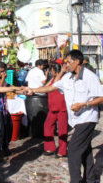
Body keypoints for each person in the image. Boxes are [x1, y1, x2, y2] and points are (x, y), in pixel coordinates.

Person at [27, 50, 103, 183]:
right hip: (75, 119)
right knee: (86, 149)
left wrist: (84, 104)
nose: (66, 65)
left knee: (73, 149)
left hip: (88, 117)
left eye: (68, 62)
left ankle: (76, 180)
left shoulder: (90, 77)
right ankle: (91, 179)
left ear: (77, 61)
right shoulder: (67, 77)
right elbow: (51, 88)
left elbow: (101, 97)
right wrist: (33, 90)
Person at [42, 62, 68, 158]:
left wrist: (61, 72)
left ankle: (62, 151)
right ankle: (50, 147)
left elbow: (57, 83)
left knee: (62, 130)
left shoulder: (63, 78)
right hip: (52, 107)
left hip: (62, 107)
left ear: (55, 70)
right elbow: (46, 87)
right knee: (47, 126)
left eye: (52, 70)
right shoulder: (53, 78)